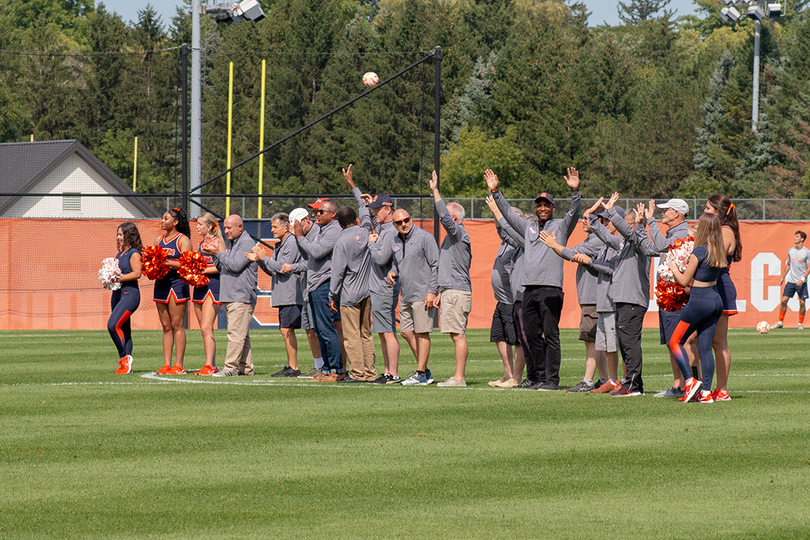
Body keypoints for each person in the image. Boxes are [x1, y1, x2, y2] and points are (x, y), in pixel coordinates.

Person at [485, 167, 581, 391]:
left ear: (553, 208)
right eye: (539, 205)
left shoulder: (560, 226)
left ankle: (552, 380)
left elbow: (575, 213)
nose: (543, 208)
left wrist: (575, 192)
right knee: (532, 336)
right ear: (535, 208)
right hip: (528, 290)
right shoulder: (528, 227)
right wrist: (496, 191)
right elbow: (508, 215)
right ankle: (537, 378)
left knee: (551, 336)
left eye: (547, 205)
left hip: (550, 290)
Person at [343, 165, 401, 383]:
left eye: (378, 209)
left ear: (389, 208)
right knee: (382, 332)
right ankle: (387, 371)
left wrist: (370, 244)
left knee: (388, 333)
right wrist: (353, 186)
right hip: (377, 287)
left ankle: (392, 373)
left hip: (385, 288)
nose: (374, 212)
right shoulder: (383, 227)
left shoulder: (390, 230)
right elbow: (364, 211)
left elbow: (380, 258)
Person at [596, 193, 657, 396]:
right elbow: (604, 234)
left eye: (629, 222)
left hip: (632, 299)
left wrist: (613, 212)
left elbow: (628, 232)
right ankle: (630, 381)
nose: (626, 226)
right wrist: (592, 215)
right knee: (625, 344)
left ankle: (634, 385)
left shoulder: (637, 241)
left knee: (630, 344)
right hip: (623, 299)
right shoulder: (623, 243)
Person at [369, 208, 439, 385]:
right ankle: (425, 371)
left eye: (406, 220)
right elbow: (397, 262)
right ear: (394, 224)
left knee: (422, 334)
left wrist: (432, 291)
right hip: (405, 294)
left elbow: (436, 265)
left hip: (423, 294)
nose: (404, 224)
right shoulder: (395, 239)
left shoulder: (425, 237)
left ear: (411, 219)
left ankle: (421, 373)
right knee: (406, 332)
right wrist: (393, 271)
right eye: (399, 222)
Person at [539, 215, 608, 393]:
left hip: (593, 298)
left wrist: (554, 245)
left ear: (599, 221)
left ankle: (587, 380)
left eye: (588, 218)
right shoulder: (594, 238)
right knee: (595, 340)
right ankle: (604, 379)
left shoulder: (598, 239)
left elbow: (571, 253)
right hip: (590, 297)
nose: (583, 221)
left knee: (590, 339)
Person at [640, 198, 698, 399]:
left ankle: (687, 384)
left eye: (667, 210)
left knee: (681, 341)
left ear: (678, 214)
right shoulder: (674, 233)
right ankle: (679, 384)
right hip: (669, 297)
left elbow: (663, 246)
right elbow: (654, 247)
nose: (662, 213)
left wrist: (650, 221)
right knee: (672, 341)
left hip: (678, 297)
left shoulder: (682, 233)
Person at [667, 213, 727, 404]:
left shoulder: (699, 251)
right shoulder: (718, 250)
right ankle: (706, 393)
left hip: (700, 300)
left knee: (675, 341)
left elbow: (685, 281)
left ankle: (690, 381)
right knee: (705, 348)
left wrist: (674, 267)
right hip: (715, 300)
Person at [429, 170, 473, 387]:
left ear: (454, 218)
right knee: (455, 334)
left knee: (458, 335)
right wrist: (441, 292)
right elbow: (450, 267)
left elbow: (444, 216)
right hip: (451, 290)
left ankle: (459, 378)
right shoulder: (452, 238)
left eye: (447, 217)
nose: (442, 219)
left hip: (457, 291)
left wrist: (436, 191)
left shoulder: (459, 233)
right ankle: (458, 377)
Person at [293, 199, 344, 381]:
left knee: (327, 329)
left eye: (321, 212)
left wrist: (299, 237)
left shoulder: (334, 230)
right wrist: (299, 238)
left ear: (333, 214)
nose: (316, 215)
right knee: (320, 330)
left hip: (325, 283)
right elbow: (307, 254)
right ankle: (326, 369)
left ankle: (337, 370)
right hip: (315, 284)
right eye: (315, 212)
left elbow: (317, 252)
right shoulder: (321, 230)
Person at [249, 212, 304, 377]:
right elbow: (273, 270)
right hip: (283, 293)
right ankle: (290, 365)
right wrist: (260, 260)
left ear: (286, 226)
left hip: (291, 293)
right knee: (285, 329)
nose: (272, 230)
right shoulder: (282, 244)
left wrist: (264, 257)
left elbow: (281, 267)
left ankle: (293, 367)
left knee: (287, 329)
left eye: (275, 226)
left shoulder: (291, 243)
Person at [205, 214, 258, 377]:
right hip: (232, 295)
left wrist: (218, 254)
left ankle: (230, 368)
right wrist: (213, 254)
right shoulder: (235, 243)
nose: (226, 231)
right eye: (225, 228)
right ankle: (246, 368)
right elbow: (224, 267)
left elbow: (235, 265)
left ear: (240, 227)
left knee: (235, 334)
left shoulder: (246, 242)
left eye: (229, 228)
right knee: (241, 334)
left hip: (240, 296)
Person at [329, 206, 376, 383]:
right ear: (355, 219)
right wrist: (356, 190)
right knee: (366, 334)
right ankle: (370, 373)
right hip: (368, 291)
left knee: (351, 336)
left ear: (340, 224)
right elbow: (366, 214)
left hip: (350, 294)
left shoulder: (341, 242)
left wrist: (332, 296)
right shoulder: (365, 231)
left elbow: (337, 272)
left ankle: (357, 373)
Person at [703, 194, 742, 401]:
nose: (705, 211)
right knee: (697, 340)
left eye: (709, 208)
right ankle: (698, 385)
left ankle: (722, 389)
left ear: (718, 211)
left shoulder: (725, 231)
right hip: (710, 287)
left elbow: (716, 259)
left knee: (719, 342)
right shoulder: (717, 230)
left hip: (720, 287)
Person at [484, 195, 522, 388]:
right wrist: (494, 211)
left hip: (512, 300)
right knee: (499, 335)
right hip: (501, 300)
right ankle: (507, 374)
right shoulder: (505, 241)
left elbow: (504, 230)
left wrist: (498, 211)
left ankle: (516, 376)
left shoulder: (519, 240)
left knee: (514, 338)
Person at [154, 207, 193, 375]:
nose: (162, 221)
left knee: (177, 325)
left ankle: (179, 365)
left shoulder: (182, 240)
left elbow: (189, 264)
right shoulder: (158, 240)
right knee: (166, 326)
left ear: (175, 222)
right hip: (161, 284)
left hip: (178, 284)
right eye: (162, 218)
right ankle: (166, 364)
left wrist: (168, 263)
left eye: (166, 218)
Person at [192, 212, 224, 375]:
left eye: (200, 224)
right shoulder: (200, 243)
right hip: (199, 287)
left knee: (206, 327)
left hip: (213, 286)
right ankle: (209, 363)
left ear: (210, 226)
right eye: (197, 224)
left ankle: (210, 365)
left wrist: (201, 269)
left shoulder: (217, 242)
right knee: (203, 328)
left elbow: (222, 266)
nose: (197, 226)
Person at [109, 222, 143, 374]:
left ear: (129, 235)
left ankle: (124, 357)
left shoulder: (134, 253)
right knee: (124, 330)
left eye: (121, 234)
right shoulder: (119, 254)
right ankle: (126, 364)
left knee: (112, 325)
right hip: (117, 294)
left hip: (130, 294)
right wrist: (108, 279)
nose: (118, 238)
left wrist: (118, 278)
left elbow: (137, 273)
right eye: (117, 234)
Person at [774, 230, 810, 330]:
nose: (795, 238)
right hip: (791, 281)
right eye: (795, 236)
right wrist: (782, 277)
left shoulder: (806, 252)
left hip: (801, 282)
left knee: (802, 303)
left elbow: (809, 268)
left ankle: (800, 324)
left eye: (797, 236)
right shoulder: (791, 251)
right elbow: (788, 264)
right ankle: (780, 322)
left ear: (802, 239)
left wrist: (802, 279)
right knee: (783, 300)